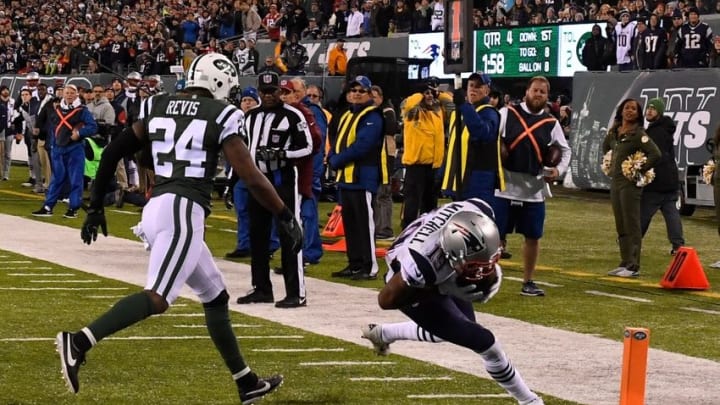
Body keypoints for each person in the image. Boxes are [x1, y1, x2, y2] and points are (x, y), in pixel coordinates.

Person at [57, 53, 299, 402]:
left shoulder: (157, 103)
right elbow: (250, 175)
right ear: (221, 83)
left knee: (215, 296)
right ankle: (78, 341)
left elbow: (115, 153)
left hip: (160, 206)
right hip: (183, 209)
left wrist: (95, 207)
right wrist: (285, 215)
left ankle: (246, 382)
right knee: (158, 297)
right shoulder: (224, 114)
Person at [361, 198, 544, 405]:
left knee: (458, 328)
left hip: (443, 263)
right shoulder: (422, 263)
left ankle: (382, 333)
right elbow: (384, 300)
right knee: (484, 341)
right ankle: (530, 401)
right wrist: (439, 288)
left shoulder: (479, 210)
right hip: (412, 284)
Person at [237, 71, 313, 308]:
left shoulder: (293, 115)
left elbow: (308, 147)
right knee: (257, 237)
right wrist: (234, 181)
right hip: (257, 182)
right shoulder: (251, 117)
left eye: (272, 91)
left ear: (280, 91)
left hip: (282, 180)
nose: (268, 96)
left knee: (289, 234)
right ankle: (261, 288)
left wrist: (282, 154)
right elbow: (244, 149)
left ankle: (296, 292)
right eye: (264, 92)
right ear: (259, 92)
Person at [494, 76, 571, 296]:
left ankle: (528, 281)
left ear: (547, 96)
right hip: (504, 187)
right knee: (494, 236)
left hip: (534, 189)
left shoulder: (551, 123)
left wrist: (558, 170)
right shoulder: (507, 113)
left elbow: (565, 150)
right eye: (535, 90)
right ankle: (487, 277)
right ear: (527, 91)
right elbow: (493, 140)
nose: (538, 94)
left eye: (543, 92)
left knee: (533, 237)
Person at [328, 76, 385, 281]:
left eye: (361, 90)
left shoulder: (373, 116)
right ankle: (355, 263)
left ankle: (369, 266)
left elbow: (363, 145)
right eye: (353, 90)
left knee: (364, 223)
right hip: (347, 177)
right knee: (351, 224)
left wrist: (337, 160)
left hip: (362, 176)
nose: (356, 93)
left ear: (370, 94)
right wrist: (332, 156)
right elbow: (338, 140)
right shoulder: (347, 114)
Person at [603, 98, 661, 278]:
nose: (629, 111)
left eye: (633, 109)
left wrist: (639, 168)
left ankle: (634, 265)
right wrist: (610, 161)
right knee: (620, 223)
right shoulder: (614, 132)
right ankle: (625, 262)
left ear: (638, 114)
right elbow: (606, 148)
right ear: (621, 111)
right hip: (616, 183)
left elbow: (655, 154)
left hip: (630, 185)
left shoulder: (639, 134)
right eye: (626, 108)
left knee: (632, 223)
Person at [226, 87, 281, 260]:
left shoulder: (264, 118)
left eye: (250, 100)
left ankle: (270, 245)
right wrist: (230, 180)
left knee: (267, 208)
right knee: (242, 209)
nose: (247, 103)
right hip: (241, 173)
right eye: (244, 100)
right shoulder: (235, 120)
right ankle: (244, 244)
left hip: (262, 170)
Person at [32, 84, 97, 218]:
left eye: (72, 93)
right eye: (67, 93)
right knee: (56, 179)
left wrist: (79, 133)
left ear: (76, 95)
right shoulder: (58, 109)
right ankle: (48, 206)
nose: (69, 95)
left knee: (75, 180)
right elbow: (53, 129)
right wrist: (52, 145)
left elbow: (93, 127)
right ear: (63, 94)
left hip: (75, 148)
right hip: (58, 149)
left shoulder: (82, 110)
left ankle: (73, 209)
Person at [441, 72, 501, 205]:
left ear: (487, 90)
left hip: (479, 182)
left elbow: (482, 133)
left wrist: (464, 106)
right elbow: (453, 147)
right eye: (471, 85)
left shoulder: (489, 112)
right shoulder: (459, 113)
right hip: (459, 180)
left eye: (478, 86)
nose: (473, 89)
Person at [400, 77, 449, 229]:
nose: (429, 96)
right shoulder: (412, 112)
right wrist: (421, 92)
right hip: (416, 167)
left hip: (433, 166)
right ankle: (408, 232)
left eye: (432, 93)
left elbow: (452, 104)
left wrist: (438, 93)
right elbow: (410, 103)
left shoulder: (438, 112)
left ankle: (426, 234)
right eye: (426, 93)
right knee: (412, 205)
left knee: (430, 206)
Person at [640, 98, 685, 255]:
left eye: (654, 109)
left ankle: (633, 241)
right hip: (670, 178)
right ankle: (678, 246)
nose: (650, 111)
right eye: (649, 108)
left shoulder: (655, 132)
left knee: (643, 213)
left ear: (659, 112)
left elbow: (654, 156)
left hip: (657, 180)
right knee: (671, 213)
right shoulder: (665, 128)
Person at [371, 85, 398, 240]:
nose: (372, 100)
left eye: (374, 97)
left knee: (383, 194)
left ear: (381, 97)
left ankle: (385, 229)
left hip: (385, 158)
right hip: (378, 158)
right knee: (378, 194)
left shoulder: (387, 112)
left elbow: (390, 129)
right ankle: (378, 227)